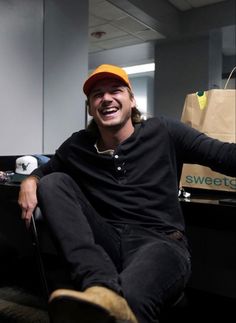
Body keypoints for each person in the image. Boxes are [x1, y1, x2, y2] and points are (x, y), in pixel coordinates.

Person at [18, 64, 236, 323]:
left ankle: (110, 296)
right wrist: (30, 180)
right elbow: (47, 171)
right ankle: (99, 285)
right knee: (53, 182)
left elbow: (224, 156)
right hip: (108, 242)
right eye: (97, 94)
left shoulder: (163, 131)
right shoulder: (78, 146)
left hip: (161, 243)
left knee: (130, 299)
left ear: (132, 100)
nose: (106, 98)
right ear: (90, 108)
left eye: (116, 90)